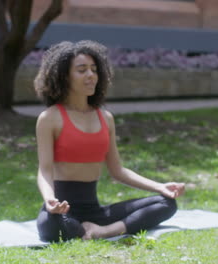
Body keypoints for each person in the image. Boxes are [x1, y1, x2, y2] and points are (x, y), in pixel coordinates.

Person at [33, 40, 185, 242]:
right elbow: (45, 170)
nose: (90, 75)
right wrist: (50, 200)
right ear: (64, 76)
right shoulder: (49, 118)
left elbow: (118, 171)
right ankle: (83, 229)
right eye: (82, 70)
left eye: (94, 69)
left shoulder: (105, 118)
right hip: (62, 211)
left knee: (166, 204)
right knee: (50, 225)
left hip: (96, 212)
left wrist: (160, 187)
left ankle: (104, 231)